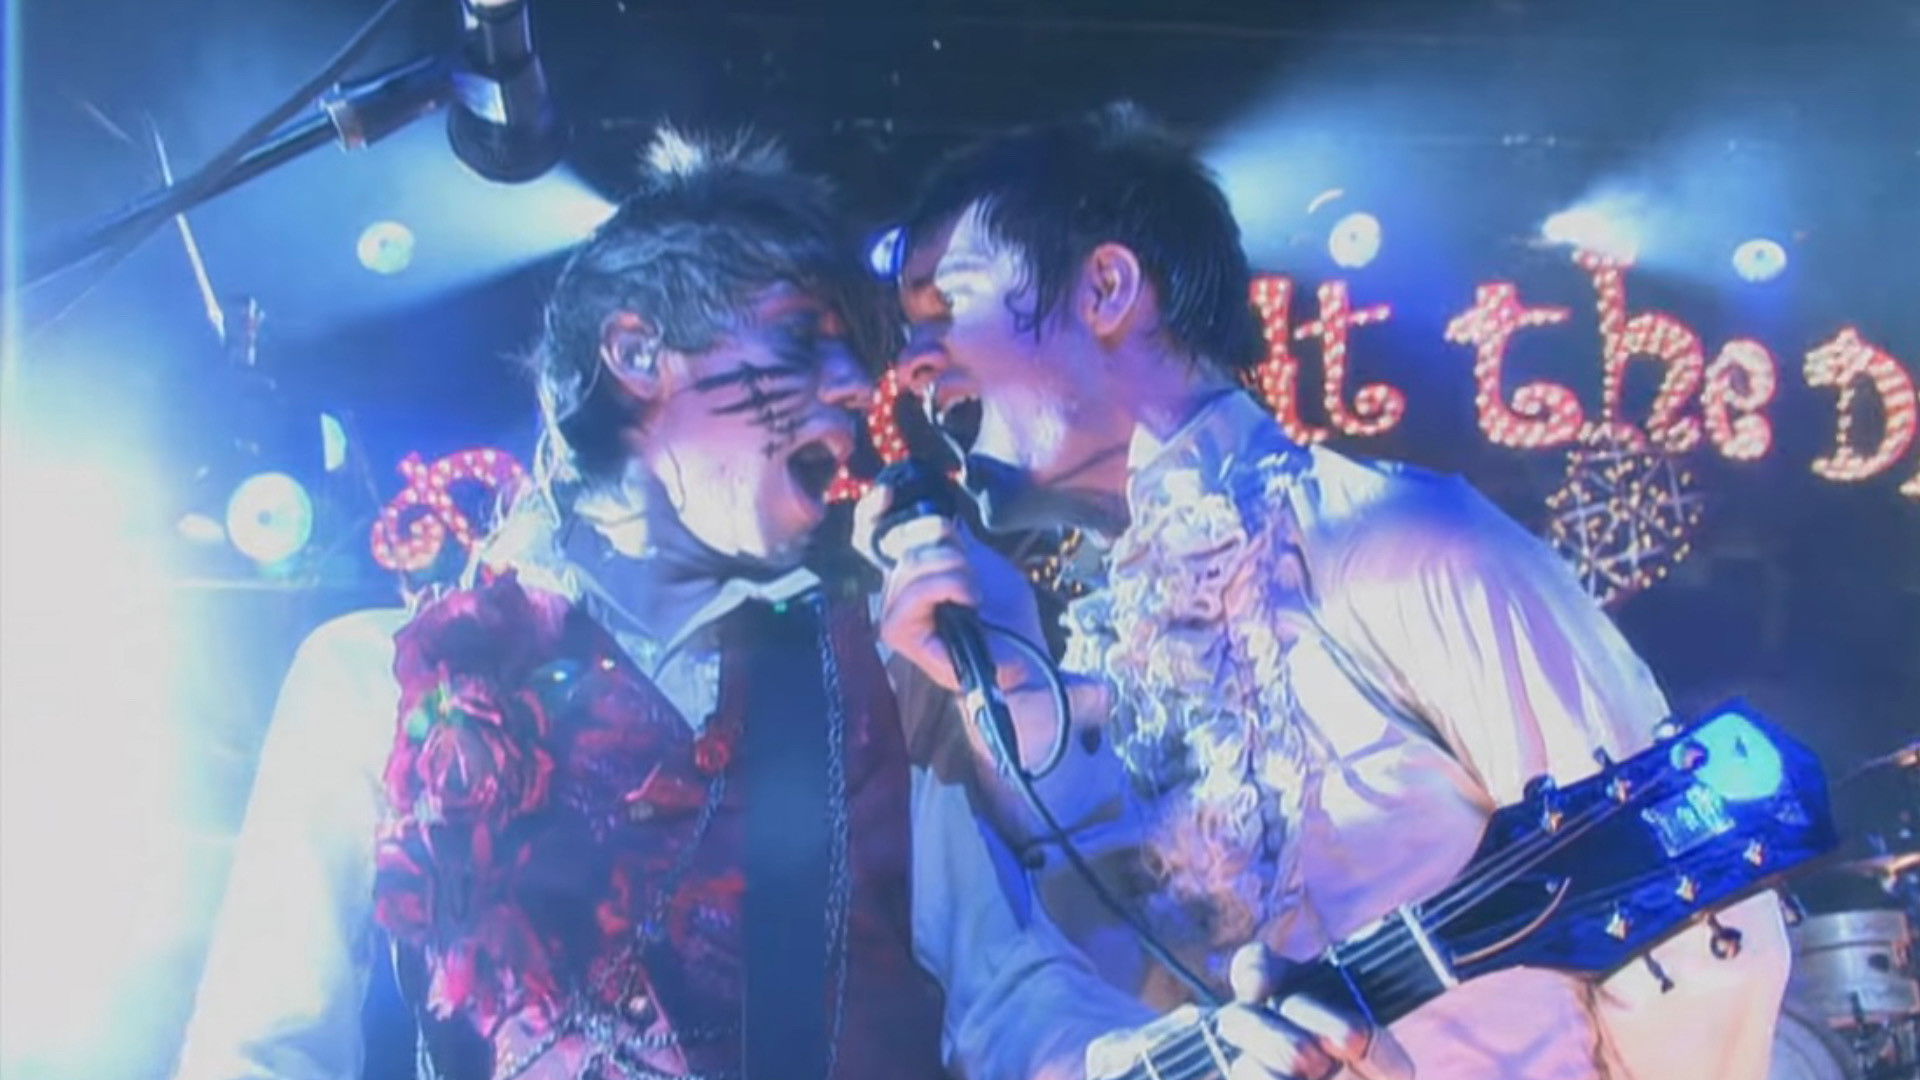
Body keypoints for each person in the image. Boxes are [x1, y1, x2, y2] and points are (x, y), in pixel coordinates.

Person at [173, 131, 1144, 1080]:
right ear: (636, 355)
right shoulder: (374, 675)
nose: (856, 389)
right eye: (800, 340)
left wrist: (1172, 1055)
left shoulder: (863, 679)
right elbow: (259, 1048)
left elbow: (1011, 990)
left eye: (855, 358)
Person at [868, 104, 1792, 1080]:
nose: (913, 363)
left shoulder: (1405, 547)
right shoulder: (1093, 665)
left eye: (945, 305)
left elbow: (1701, 931)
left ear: (1106, 288)